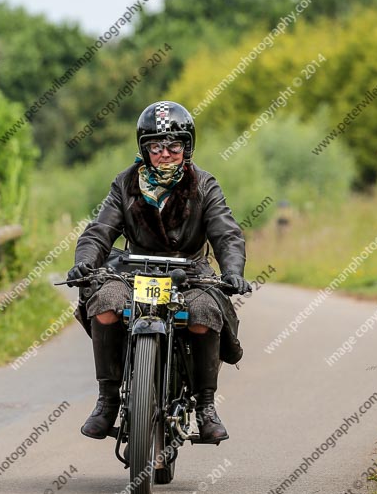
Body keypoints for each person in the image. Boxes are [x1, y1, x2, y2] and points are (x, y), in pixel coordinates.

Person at [67, 100, 250, 444]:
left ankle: (206, 406)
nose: (164, 153)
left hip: (190, 272)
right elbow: (99, 231)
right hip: (135, 270)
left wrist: (233, 270)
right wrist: (86, 262)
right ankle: (107, 400)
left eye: (173, 145)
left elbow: (226, 234)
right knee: (105, 302)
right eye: (155, 145)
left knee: (204, 311)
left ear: (187, 146)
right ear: (144, 148)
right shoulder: (125, 184)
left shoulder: (205, 185)